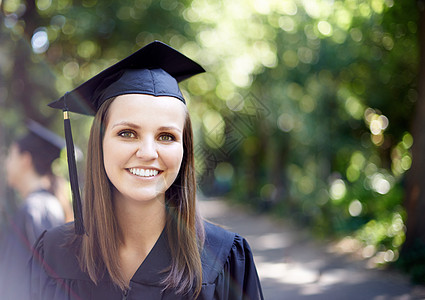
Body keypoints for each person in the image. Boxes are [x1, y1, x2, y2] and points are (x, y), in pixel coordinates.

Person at [29, 41, 264, 299]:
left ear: (184, 150)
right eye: (127, 133)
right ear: (99, 143)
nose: (148, 152)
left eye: (166, 136)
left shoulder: (224, 259)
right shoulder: (51, 255)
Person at [0, 119, 72, 300]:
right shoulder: (41, 204)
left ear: (25, 160)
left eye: (10, 155)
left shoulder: (37, 209)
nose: (6, 163)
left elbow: (48, 279)